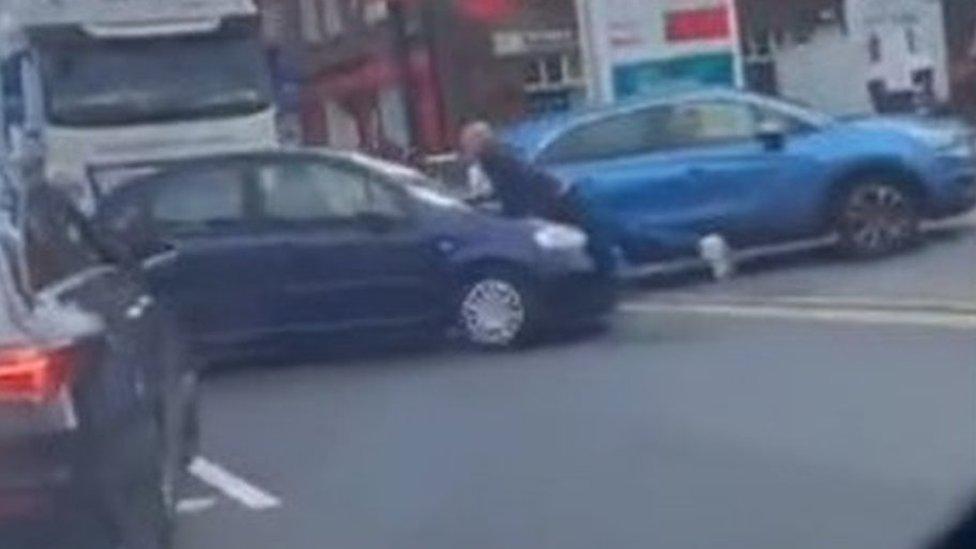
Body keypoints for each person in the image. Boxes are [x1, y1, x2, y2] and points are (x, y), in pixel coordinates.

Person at [458, 120, 616, 273]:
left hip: (559, 201)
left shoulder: (501, 160)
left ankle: (607, 277)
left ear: (481, 141)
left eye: (468, 142)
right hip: (553, 200)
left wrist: (519, 219)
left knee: (591, 240)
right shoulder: (494, 159)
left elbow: (517, 190)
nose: (465, 147)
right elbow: (504, 190)